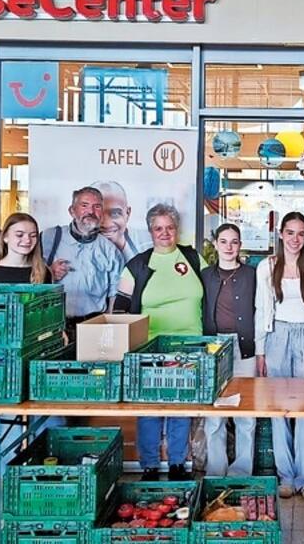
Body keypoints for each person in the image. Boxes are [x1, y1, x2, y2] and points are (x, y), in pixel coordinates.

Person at [115, 204, 206, 481]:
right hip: (150, 347)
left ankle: (178, 463)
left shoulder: (192, 258)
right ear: (151, 231)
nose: (165, 233)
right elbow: (120, 306)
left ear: (176, 229)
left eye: (170, 227)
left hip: (191, 345)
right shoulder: (138, 265)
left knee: (181, 406)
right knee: (150, 408)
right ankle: (151, 466)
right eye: (158, 228)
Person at [254, 211, 304, 503]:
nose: (295, 239)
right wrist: (261, 350)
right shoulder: (267, 266)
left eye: (301, 234)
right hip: (277, 337)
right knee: (279, 410)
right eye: (290, 233)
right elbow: (262, 310)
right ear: (280, 234)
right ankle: (285, 476)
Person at [202, 223, 257, 477]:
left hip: (245, 345)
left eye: (234, 242)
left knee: (246, 412)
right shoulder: (205, 275)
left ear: (240, 245)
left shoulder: (252, 275)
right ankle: (216, 471)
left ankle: (242, 472)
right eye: (223, 241)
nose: (228, 247)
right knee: (215, 412)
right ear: (215, 244)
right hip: (214, 347)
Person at [41, 187, 124, 340]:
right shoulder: (49, 238)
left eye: (97, 206)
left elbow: (114, 294)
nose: (90, 211)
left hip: (94, 326)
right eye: (84, 205)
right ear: (72, 210)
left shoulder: (110, 250)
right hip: (55, 326)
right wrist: (48, 272)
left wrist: (109, 330)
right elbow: (29, 275)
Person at [92, 180, 149, 263]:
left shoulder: (149, 245)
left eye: (115, 213)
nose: (106, 224)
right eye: (98, 214)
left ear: (127, 213)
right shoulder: (72, 252)